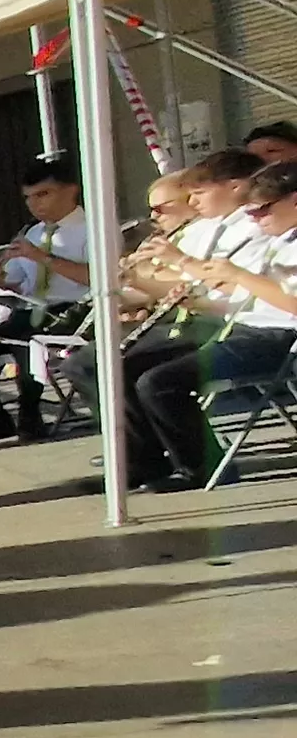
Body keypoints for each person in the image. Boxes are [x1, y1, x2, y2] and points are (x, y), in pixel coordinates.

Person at [143, 157, 297, 490]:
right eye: (253, 212)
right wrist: (199, 298)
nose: (256, 219)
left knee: (159, 383)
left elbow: (291, 305)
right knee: (137, 372)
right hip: (244, 327)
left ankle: (205, 468)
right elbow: (243, 293)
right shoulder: (279, 239)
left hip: (278, 337)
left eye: (262, 210)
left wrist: (234, 274)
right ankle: (148, 461)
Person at [0, 154, 94, 446]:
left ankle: (31, 415)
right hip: (34, 312)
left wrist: (42, 256)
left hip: (79, 312)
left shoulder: (92, 228)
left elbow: (98, 277)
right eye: (29, 198)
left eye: (44, 194)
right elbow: (23, 285)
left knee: (28, 343)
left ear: (71, 190)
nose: (35, 204)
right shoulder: (32, 233)